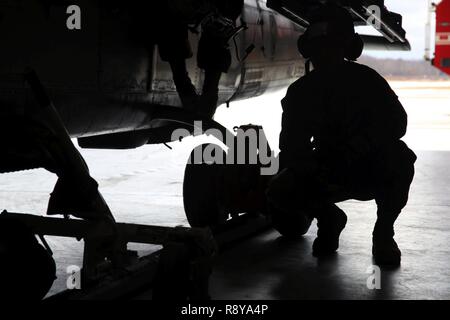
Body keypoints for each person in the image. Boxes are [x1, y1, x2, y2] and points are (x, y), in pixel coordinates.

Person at [266, 4, 416, 266]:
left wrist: (361, 145)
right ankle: (329, 219)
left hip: (369, 164)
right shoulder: (301, 93)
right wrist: (312, 166)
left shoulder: (367, 81)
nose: (324, 54)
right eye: (319, 47)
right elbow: (291, 149)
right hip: (327, 170)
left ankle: (383, 233)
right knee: (280, 190)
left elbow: (397, 124)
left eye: (330, 46)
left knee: (401, 160)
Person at [153, 0, 244, 118]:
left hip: (211, 34)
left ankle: (201, 113)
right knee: (206, 81)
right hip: (213, 36)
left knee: (184, 75)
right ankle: (202, 114)